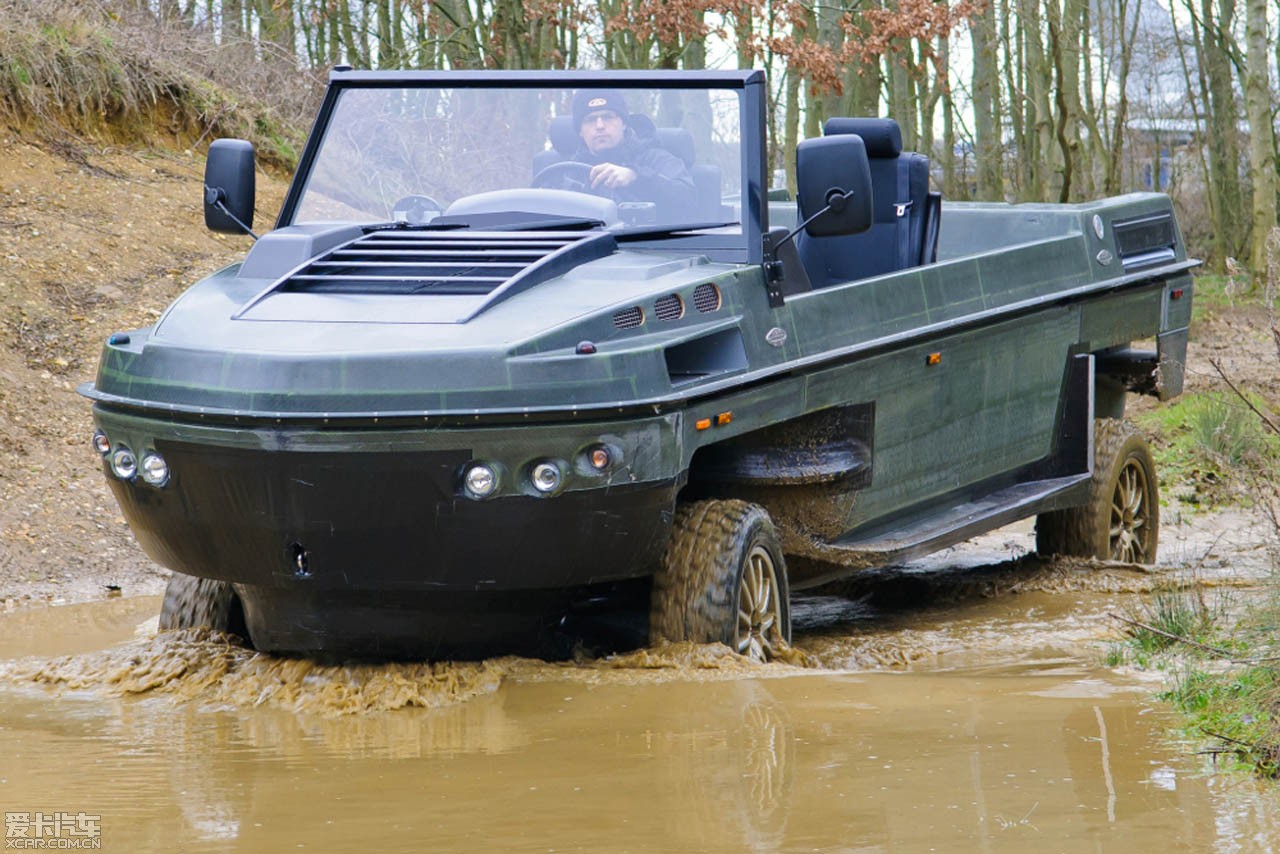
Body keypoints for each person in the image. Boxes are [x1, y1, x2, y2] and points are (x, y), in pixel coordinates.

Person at [567, 89, 697, 221]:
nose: (600, 125)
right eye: (590, 120)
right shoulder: (566, 172)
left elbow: (689, 202)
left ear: (623, 124)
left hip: (645, 239)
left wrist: (636, 176)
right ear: (580, 131)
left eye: (608, 117)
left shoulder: (656, 159)